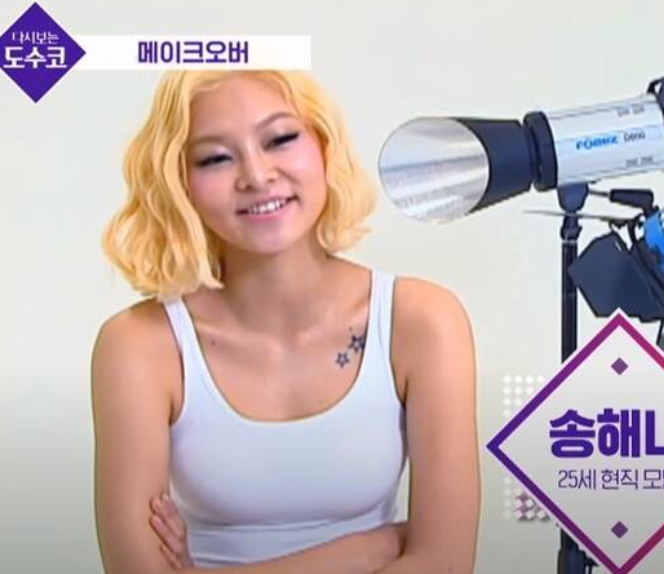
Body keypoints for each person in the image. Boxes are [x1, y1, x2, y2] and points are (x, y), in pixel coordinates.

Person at [91, 69, 480, 574]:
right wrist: (366, 552)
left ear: (324, 146)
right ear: (179, 184)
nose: (256, 176)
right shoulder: (139, 345)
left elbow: (446, 565)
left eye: (279, 139)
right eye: (215, 158)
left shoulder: (422, 321)